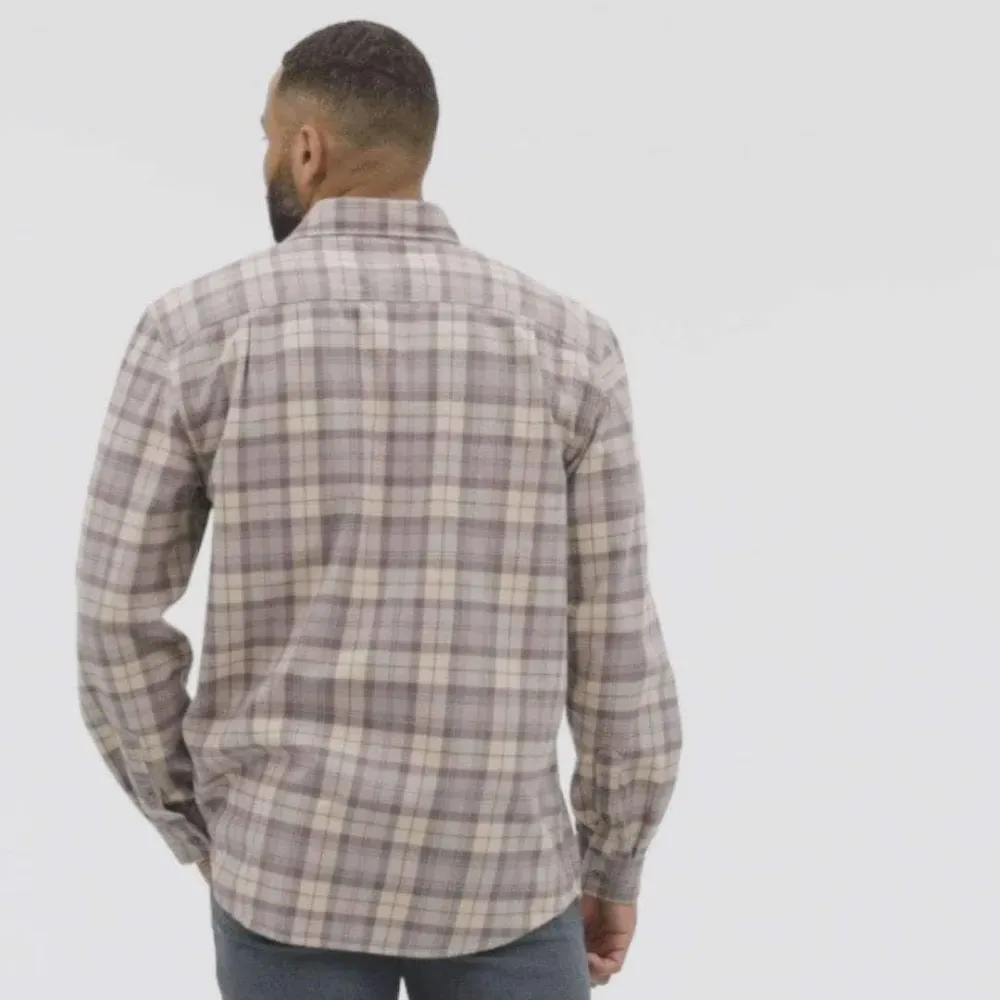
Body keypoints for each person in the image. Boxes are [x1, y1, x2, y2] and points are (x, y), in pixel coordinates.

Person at [76, 19, 682, 999]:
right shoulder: (570, 346)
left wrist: (201, 824)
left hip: (286, 875)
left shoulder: (193, 333)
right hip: (501, 878)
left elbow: (115, 615)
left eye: (268, 136)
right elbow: (615, 636)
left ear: (306, 149)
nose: (268, 158)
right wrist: (615, 858)